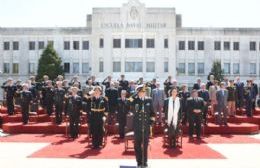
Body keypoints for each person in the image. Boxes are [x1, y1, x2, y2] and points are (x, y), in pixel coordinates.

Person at [129, 85, 155, 168]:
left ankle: (145, 162)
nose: (142, 93)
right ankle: (139, 162)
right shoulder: (135, 100)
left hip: (146, 126)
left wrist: (151, 123)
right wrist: (134, 95)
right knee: (137, 145)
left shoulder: (149, 100)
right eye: (140, 92)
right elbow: (127, 103)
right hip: (137, 126)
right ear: (138, 93)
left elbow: (152, 113)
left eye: (144, 92)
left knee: (145, 145)